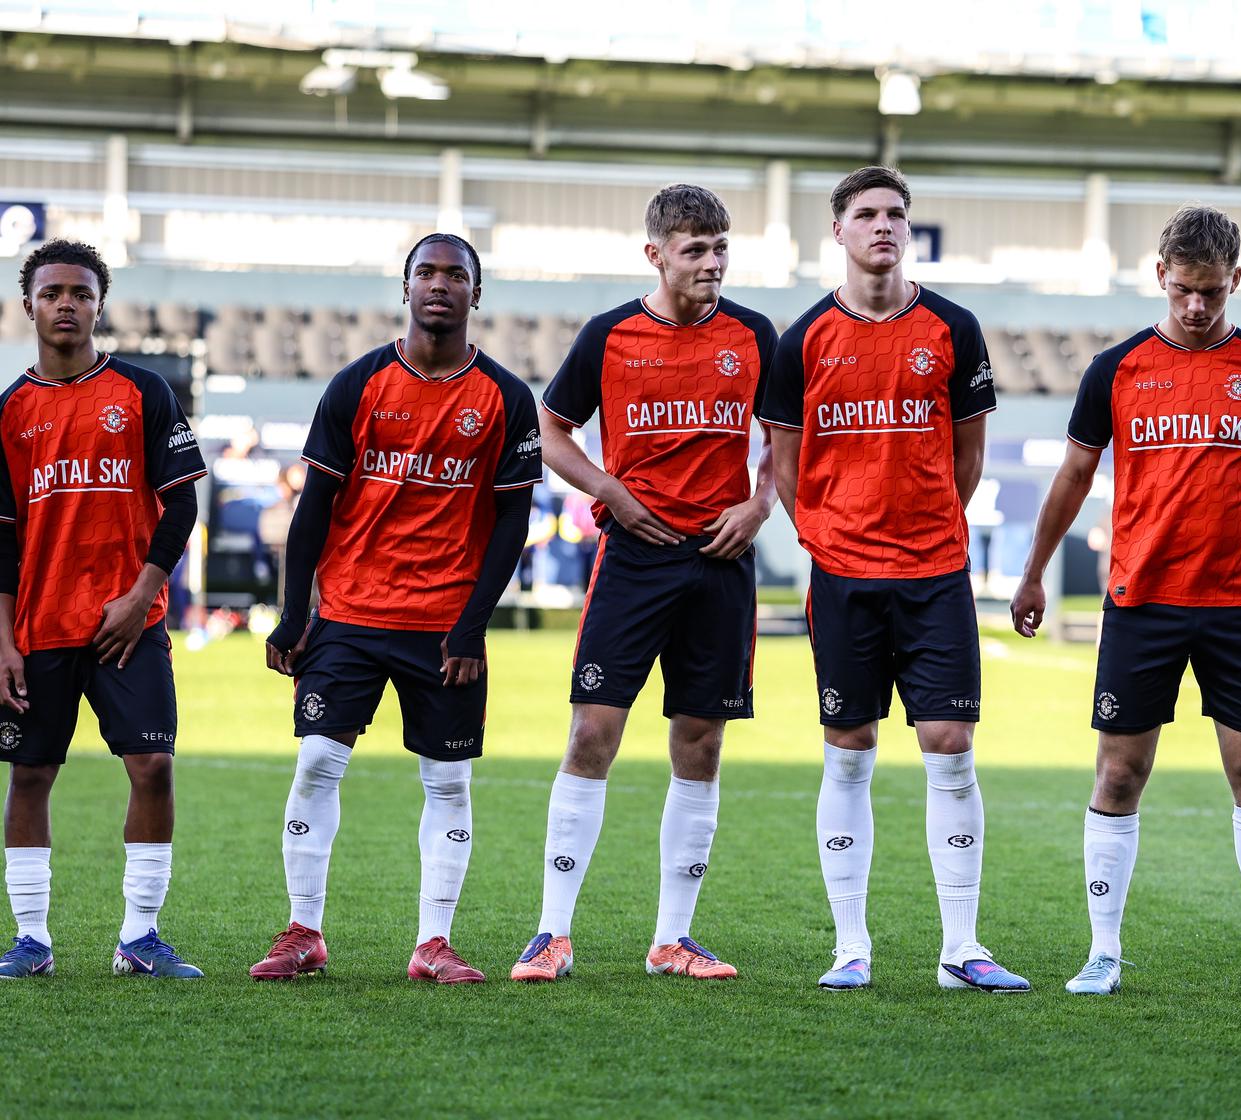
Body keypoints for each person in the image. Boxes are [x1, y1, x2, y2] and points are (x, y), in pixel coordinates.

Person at [1010, 205, 1241, 999]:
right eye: (1184, 290)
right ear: (1160, 276)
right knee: (1120, 774)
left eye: (1212, 292)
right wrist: (1033, 571)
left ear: (1236, 280)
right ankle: (1103, 952)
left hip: (1239, 605)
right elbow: (1072, 476)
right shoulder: (1117, 368)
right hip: (1143, 602)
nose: (1197, 306)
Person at [759, 166, 1028, 993]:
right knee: (849, 751)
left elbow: (969, 451)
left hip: (936, 571)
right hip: (843, 577)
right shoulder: (801, 339)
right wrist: (826, 535)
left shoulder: (954, 326)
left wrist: (927, 523)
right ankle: (850, 946)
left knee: (950, 748)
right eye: (867, 214)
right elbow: (785, 463)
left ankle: (960, 948)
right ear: (837, 232)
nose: (884, 226)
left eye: (896, 215)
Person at [249, 233, 540, 984]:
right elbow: (313, 510)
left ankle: (432, 944)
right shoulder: (357, 383)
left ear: (478, 294)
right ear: (404, 288)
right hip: (348, 613)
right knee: (316, 761)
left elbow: (512, 522)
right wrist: (292, 613)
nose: (439, 285)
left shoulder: (505, 397)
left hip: (445, 627)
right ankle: (304, 931)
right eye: (426, 273)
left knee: (447, 782)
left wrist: (473, 624)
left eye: (456, 275)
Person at [512, 184, 776, 983]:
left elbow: (786, 442)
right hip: (633, 558)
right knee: (592, 734)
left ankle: (673, 939)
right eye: (694, 249)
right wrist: (610, 491)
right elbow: (548, 430)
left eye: (721, 246)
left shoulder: (756, 335)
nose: (712, 263)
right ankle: (551, 933)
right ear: (655, 254)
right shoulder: (609, 335)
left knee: (700, 742)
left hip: (720, 561)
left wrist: (761, 503)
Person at [0, 238, 207, 979]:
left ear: (98, 304)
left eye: (80, 294)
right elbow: (1, 544)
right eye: (52, 292)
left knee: (152, 766)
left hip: (129, 623)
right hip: (40, 625)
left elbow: (180, 503)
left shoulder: (144, 392)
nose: (66, 304)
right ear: (28, 304)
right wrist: (3, 642)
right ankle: (32, 941)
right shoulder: (9, 412)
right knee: (29, 774)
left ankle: (140, 937)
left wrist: (143, 593)